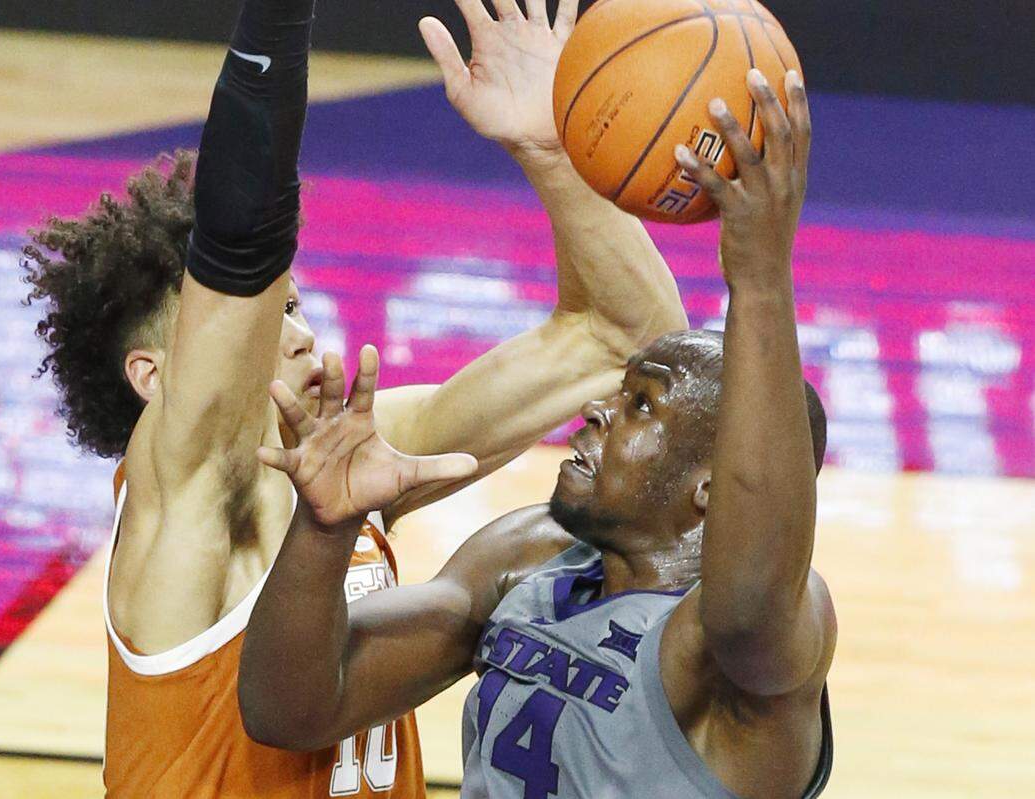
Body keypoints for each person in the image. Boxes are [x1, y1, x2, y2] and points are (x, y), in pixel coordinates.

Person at [22, 0, 687, 795]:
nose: (301, 333)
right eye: (270, 316)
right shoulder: (184, 500)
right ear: (155, 377)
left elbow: (626, 341)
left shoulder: (352, 452)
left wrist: (551, 151)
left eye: (296, 307)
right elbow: (240, 246)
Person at [238, 68, 835, 799]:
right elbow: (290, 708)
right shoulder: (527, 559)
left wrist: (762, 278)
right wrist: (325, 528)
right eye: (617, 393)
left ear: (710, 486)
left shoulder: (751, 638)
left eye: (643, 406)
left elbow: (749, 593)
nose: (597, 412)